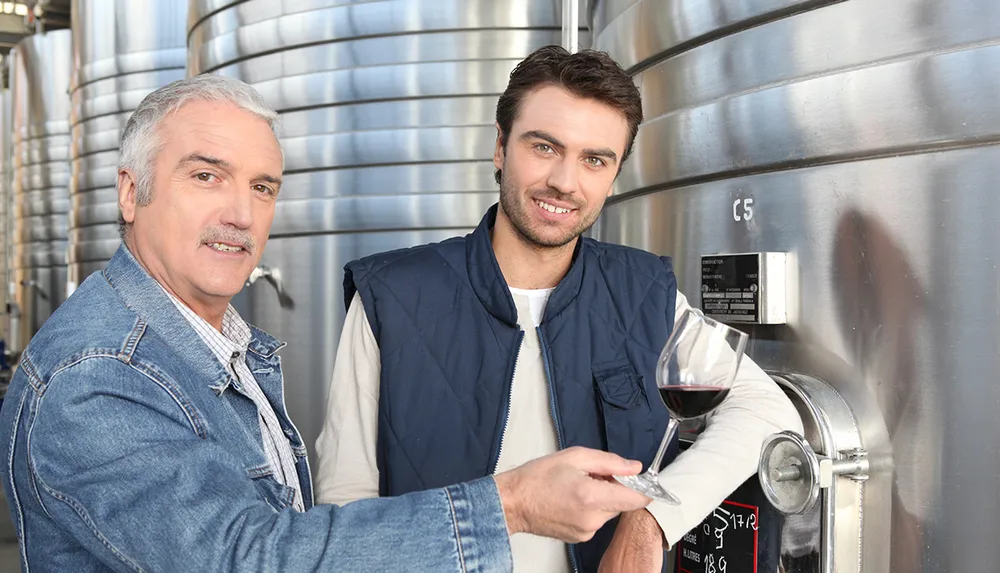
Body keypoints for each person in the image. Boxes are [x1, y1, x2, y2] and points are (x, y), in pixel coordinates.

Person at [0, 74, 655, 572]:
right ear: (128, 190)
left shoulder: (218, 345)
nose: (241, 213)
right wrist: (507, 504)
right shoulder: (98, 376)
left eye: (262, 186)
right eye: (206, 175)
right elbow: (247, 558)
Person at [314, 46, 804, 573]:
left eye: (595, 159)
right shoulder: (392, 294)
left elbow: (765, 408)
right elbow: (346, 505)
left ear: (613, 177)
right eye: (545, 147)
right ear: (500, 147)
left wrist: (652, 520)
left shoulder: (643, 291)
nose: (565, 183)